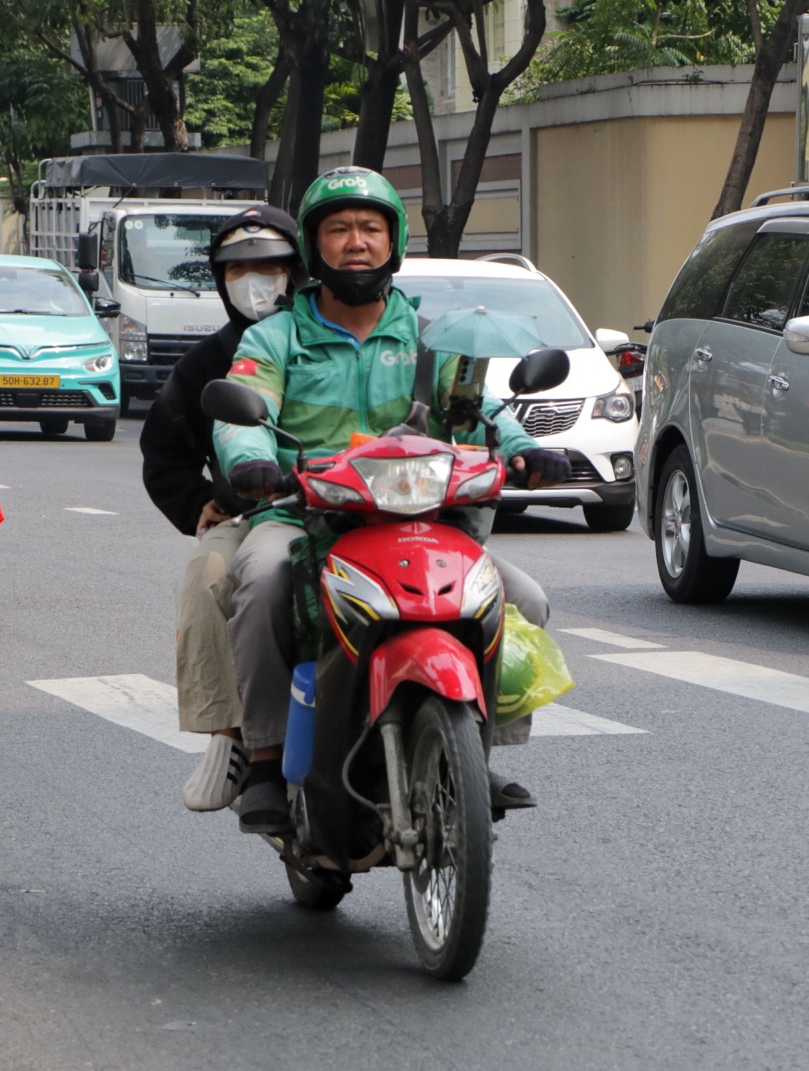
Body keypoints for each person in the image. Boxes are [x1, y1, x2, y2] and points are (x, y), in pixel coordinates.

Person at [214, 166, 570, 834]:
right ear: (315, 246)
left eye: (370, 229)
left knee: (523, 598)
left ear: (393, 241)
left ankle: (472, 751)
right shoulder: (277, 337)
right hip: (305, 515)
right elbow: (242, 411)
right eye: (340, 229)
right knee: (261, 579)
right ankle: (264, 758)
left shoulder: (430, 340)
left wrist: (524, 448)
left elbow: (482, 410)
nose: (356, 243)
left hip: (419, 518)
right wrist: (251, 460)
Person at [139, 205, 306, 814]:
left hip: (366, 506)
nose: (256, 279)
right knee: (212, 575)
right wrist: (200, 503)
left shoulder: (331, 332)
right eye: (238, 269)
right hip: (259, 514)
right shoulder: (210, 360)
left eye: (270, 265)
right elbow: (163, 446)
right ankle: (231, 734)